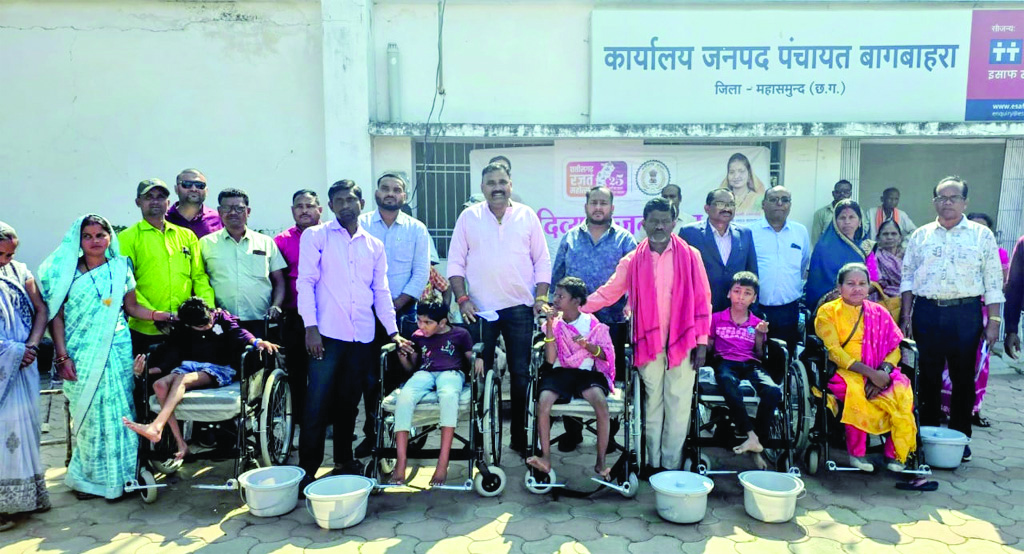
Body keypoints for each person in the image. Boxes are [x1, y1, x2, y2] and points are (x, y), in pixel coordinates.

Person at [39, 215, 175, 500]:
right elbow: (56, 317)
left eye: (100, 235)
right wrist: (62, 356)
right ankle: (89, 478)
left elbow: (132, 307)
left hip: (117, 348)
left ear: (110, 237)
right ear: (78, 240)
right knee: (88, 414)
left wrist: (159, 315)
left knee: (120, 410)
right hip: (81, 350)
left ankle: (124, 475)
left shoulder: (120, 267)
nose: (94, 241)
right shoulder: (66, 272)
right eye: (87, 236)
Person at [583, 197, 712, 475]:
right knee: (652, 403)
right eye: (654, 221)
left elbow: (703, 300)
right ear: (644, 224)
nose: (659, 226)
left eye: (665, 221)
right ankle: (652, 464)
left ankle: (671, 466)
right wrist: (575, 309)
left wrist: (702, 342)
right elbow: (608, 293)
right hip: (647, 342)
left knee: (678, 403)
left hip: (685, 342)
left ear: (674, 224)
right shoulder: (633, 260)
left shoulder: (691, 256)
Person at [297, 179, 410, 488]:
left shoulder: (373, 245)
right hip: (326, 335)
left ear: (361, 203)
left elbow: (381, 291)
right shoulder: (316, 236)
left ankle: (344, 461)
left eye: (351, 200)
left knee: (348, 403)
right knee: (317, 402)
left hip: (362, 336)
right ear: (330, 206)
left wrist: (393, 332)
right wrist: (310, 328)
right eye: (339, 201)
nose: (345, 205)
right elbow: (305, 282)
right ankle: (308, 469)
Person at [447, 162, 551, 456]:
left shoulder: (527, 215)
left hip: (520, 308)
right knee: (480, 375)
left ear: (510, 185)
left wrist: (541, 297)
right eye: (491, 183)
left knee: (520, 374)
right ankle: (480, 440)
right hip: (480, 311)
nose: (497, 188)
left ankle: (520, 437)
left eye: (502, 182)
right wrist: (462, 299)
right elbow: (455, 262)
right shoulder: (469, 217)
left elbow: (542, 260)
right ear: (482, 188)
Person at [900, 176, 1004, 463]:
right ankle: (927, 436)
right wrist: (906, 315)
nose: (947, 203)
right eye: (942, 198)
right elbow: (907, 277)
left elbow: (993, 280)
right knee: (927, 377)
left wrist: (994, 320)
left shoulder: (981, 236)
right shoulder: (920, 235)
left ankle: (960, 438)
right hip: (927, 311)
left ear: (964, 202)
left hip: (965, 313)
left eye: (953, 198)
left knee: (963, 378)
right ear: (934, 201)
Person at [815, 264, 929, 489]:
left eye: (862, 284)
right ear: (839, 287)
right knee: (855, 392)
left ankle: (895, 453)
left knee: (902, 392)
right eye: (850, 284)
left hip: (881, 371)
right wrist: (871, 375)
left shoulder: (880, 312)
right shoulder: (828, 312)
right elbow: (834, 352)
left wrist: (882, 373)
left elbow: (895, 347)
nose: (857, 289)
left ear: (869, 287)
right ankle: (857, 453)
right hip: (845, 371)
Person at [123, 297, 279, 460]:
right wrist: (145, 371)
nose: (207, 326)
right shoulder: (183, 327)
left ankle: (156, 426)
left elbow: (239, 332)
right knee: (159, 385)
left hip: (218, 367)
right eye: (201, 326)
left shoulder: (221, 317)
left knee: (182, 379)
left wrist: (257, 342)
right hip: (189, 366)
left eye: (208, 321)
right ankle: (181, 444)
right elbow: (171, 354)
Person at [549, 185, 636, 452]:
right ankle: (573, 432)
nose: (598, 207)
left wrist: (631, 304)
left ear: (612, 207)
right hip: (573, 322)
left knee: (608, 379)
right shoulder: (570, 238)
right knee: (571, 373)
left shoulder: (625, 240)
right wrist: (552, 306)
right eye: (594, 202)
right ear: (586, 206)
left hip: (612, 322)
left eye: (603, 203)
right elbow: (557, 276)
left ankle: (607, 436)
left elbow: (635, 279)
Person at [356, 173, 432, 458]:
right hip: (365, 315)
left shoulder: (416, 229)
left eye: (396, 189)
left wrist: (395, 304)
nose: (390, 193)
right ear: (376, 193)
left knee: (404, 374)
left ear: (404, 196)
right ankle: (373, 435)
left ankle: (408, 435)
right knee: (370, 377)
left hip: (405, 313)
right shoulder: (361, 224)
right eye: (385, 188)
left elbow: (421, 272)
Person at [528, 277, 616, 479]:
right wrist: (550, 326)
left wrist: (587, 345)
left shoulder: (591, 323)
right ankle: (545, 458)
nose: (555, 300)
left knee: (601, 404)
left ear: (576, 301)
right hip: (560, 372)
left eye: (561, 296)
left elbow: (606, 355)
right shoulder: (554, 324)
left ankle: (601, 462)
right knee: (543, 402)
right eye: (555, 295)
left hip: (585, 373)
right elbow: (550, 359)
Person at [119, 179, 215, 356]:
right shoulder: (126, 238)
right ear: (138, 202)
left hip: (184, 326)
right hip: (144, 329)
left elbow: (199, 277)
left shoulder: (187, 236)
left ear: (168, 202)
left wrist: (207, 309)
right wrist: (155, 315)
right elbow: (126, 283)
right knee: (145, 373)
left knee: (184, 372)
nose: (155, 201)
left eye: (160, 197)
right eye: (149, 197)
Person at [390, 300, 475, 486]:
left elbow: (471, 358)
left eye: (427, 322)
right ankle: (401, 461)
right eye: (419, 321)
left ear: (442, 322)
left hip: (451, 372)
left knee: (449, 396)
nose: (422, 326)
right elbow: (411, 368)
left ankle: (443, 462)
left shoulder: (460, 334)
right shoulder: (417, 336)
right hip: (425, 373)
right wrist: (402, 358)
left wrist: (479, 359)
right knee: (404, 397)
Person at [0, 222, 50, 530]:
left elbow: (41, 310)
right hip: (5, 365)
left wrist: (30, 346)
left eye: (11, 254)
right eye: (2, 254)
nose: (6, 260)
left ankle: (28, 497)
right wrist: (13, 352)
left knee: (25, 430)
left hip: (23, 365)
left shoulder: (19, 272)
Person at [937, 212, 1007, 429]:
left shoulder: (998, 254)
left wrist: (994, 321)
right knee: (947, 363)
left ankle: (973, 410)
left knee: (978, 363)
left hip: (982, 311)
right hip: (954, 312)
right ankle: (944, 408)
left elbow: (999, 285)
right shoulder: (953, 248)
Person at [708, 272, 780, 470]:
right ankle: (751, 435)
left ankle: (756, 442)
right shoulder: (716, 319)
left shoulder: (757, 323)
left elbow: (759, 354)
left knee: (773, 390)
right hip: (725, 362)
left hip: (750, 363)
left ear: (754, 298)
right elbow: (709, 347)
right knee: (726, 380)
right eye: (737, 291)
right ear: (729, 293)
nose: (741, 297)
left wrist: (760, 336)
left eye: (747, 293)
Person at [200, 188, 286, 338]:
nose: (233, 212)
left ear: (248, 211)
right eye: (227, 208)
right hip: (222, 322)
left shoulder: (266, 242)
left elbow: (279, 281)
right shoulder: (206, 244)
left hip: (260, 320)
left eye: (239, 208)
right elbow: (199, 280)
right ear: (219, 211)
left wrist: (276, 305)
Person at [273, 189, 323, 437]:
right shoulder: (281, 241)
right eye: (299, 206)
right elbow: (277, 280)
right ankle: (301, 424)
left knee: (325, 372)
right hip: (294, 316)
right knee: (297, 372)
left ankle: (327, 421)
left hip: (327, 316)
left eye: (309, 206)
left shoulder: (331, 236)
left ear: (319, 210)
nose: (304, 210)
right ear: (292, 210)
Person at [750, 186, 810, 354]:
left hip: (788, 310)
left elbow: (803, 264)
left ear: (790, 205)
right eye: (773, 199)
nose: (779, 203)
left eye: (785, 200)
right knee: (755, 356)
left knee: (784, 356)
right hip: (756, 308)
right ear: (763, 204)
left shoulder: (800, 232)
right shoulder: (750, 232)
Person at [679, 188, 759, 312]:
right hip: (700, 308)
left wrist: (753, 309)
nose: (727, 208)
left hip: (736, 310)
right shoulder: (690, 233)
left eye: (731, 204)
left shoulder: (745, 233)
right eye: (721, 204)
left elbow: (752, 272)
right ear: (707, 208)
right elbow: (681, 274)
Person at [806, 199, 873, 311]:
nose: (847, 222)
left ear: (860, 221)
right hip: (832, 307)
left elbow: (873, 278)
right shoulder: (823, 248)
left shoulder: (867, 247)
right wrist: (837, 295)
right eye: (842, 218)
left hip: (861, 304)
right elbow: (816, 282)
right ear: (834, 221)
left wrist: (857, 292)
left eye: (852, 217)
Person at [165, 168, 223, 239]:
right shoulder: (164, 218)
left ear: (207, 191)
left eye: (200, 185)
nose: (194, 189)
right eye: (187, 184)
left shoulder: (219, 219)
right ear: (176, 189)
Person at [865, 219, 905, 318]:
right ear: (878, 238)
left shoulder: (908, 257)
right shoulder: (873, 257)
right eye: (885, 234)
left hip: (907, 302)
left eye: (893, 234)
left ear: (900, 238)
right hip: (883, 303)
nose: (889, 237)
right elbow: (874, 282)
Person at [811, 180, 853, 245]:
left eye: (846, 192)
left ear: (850, 194)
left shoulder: (858, 212)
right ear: (833, 193)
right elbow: (815, 240)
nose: (842, 194)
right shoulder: (821, 213)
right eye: (838, 192)